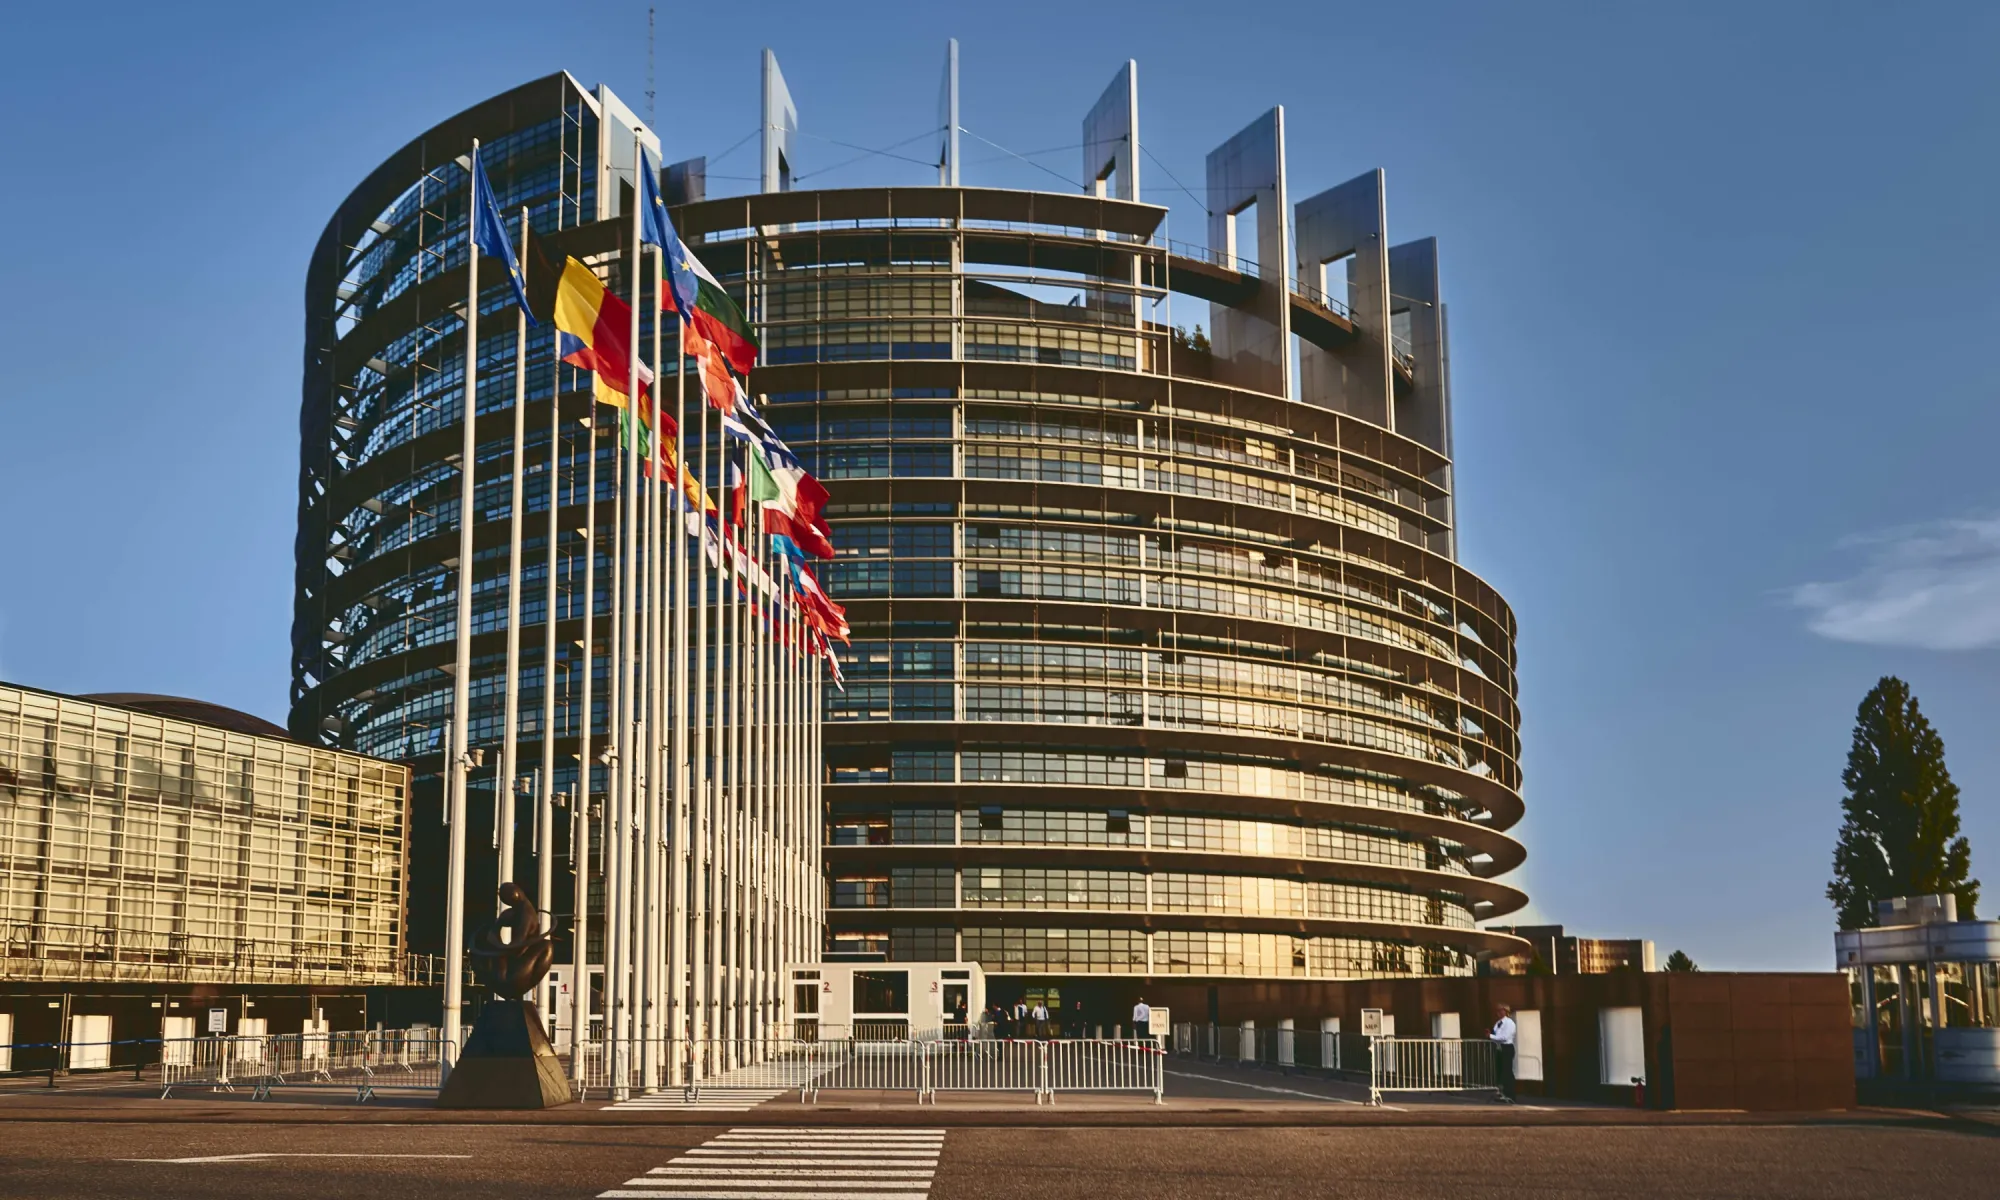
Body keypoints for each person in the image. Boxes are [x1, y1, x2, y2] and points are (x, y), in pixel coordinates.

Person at [1490, 1004, 1517, 1103]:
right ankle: (1503, 1093)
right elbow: (1496, 1034)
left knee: (1507, 1071)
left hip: (1507, 1048)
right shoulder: (1497, 1023)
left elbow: (1504, 1037)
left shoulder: (1509, 1023)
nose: (1499, 1013)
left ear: (1506, 1012)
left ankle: (1511, 1095)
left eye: (1501, 1011)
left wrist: (1491, 1036)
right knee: (1500, 1070)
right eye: (1498, 1011)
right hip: (1499, 1048)